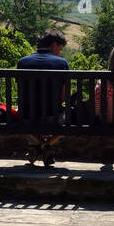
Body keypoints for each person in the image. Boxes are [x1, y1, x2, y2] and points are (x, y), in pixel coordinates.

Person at [16, 30, 70, 166]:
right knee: (71, 119)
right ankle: (46, 146)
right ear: (54, 45)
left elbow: (22, 94)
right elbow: (64, 98)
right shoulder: (62, 64)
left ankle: (39, 146)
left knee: (25, 122)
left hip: (27, 117)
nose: (60, 53)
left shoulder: (22, 62)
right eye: (60, 49)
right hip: (53, 118)